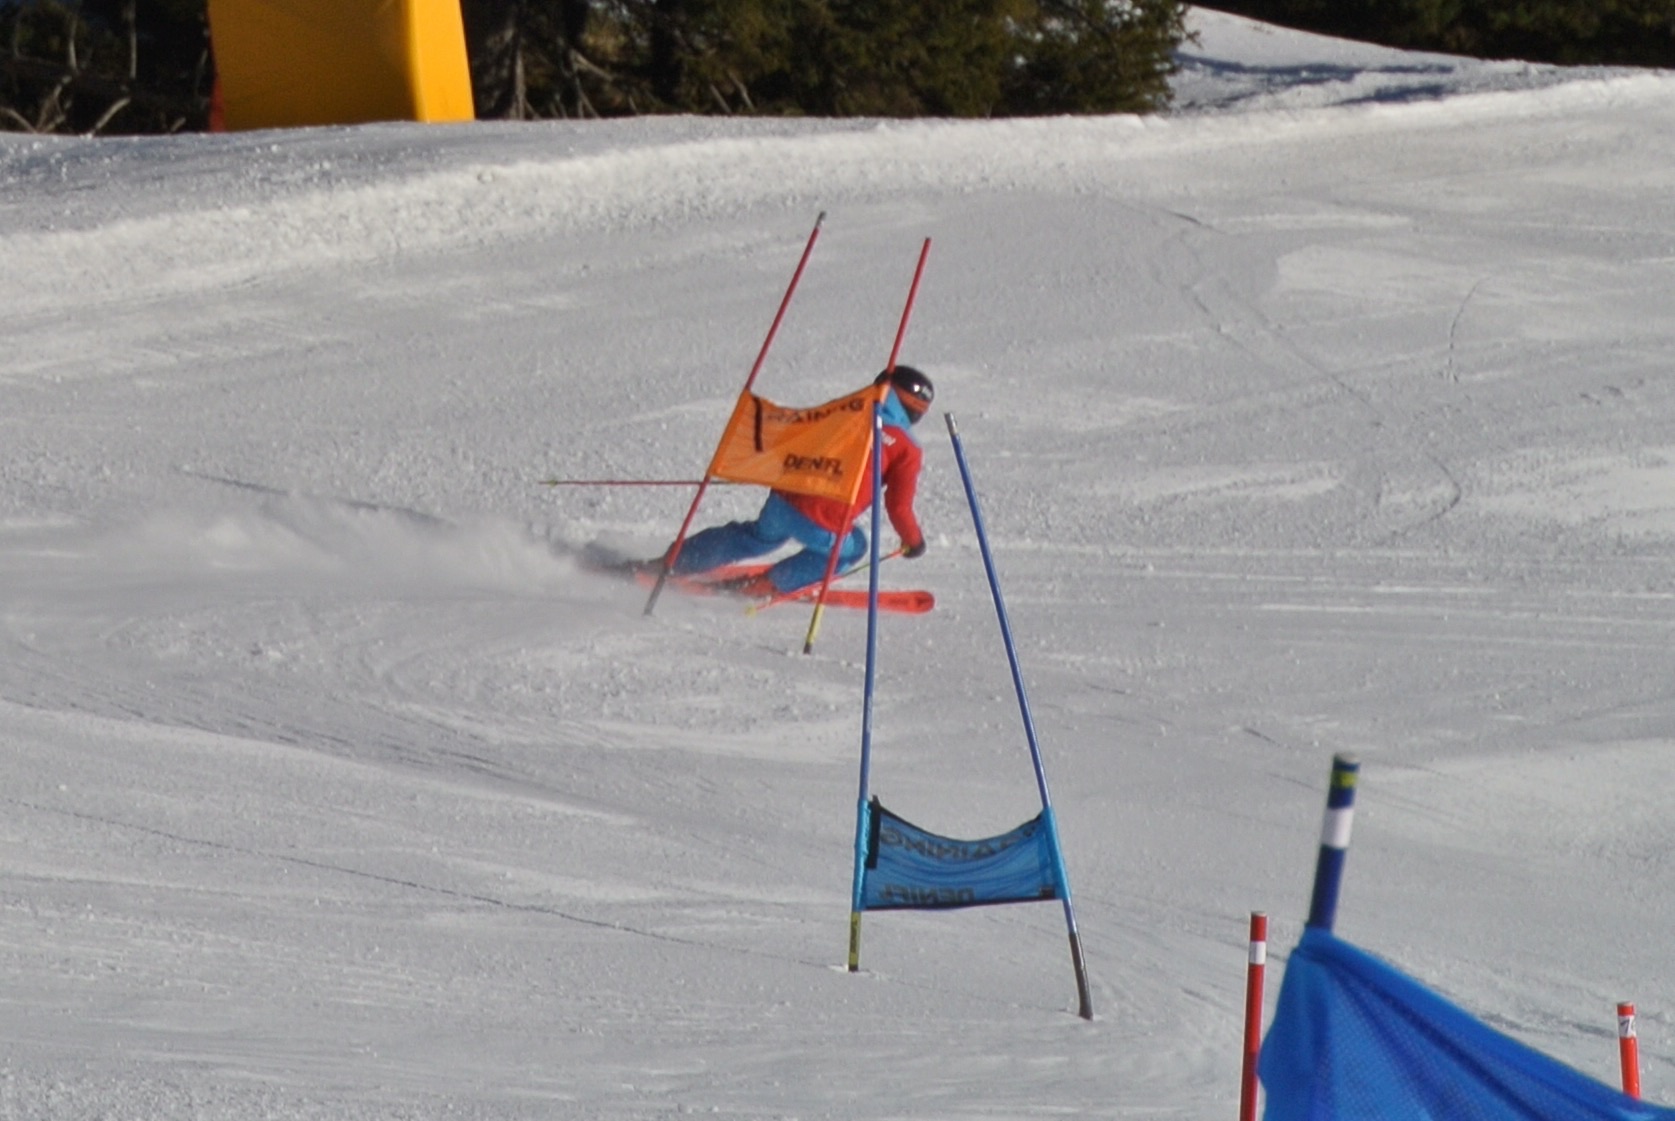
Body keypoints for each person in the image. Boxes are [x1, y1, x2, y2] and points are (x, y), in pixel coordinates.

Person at [668, 366, 934, 597]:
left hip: (783, 500)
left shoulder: (844, 409)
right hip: (825, 520)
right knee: (854, 547)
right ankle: (767, 586)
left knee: (758, 537)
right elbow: (899, 507)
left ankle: (675, 561)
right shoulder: (907, 447)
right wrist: (914, 541)